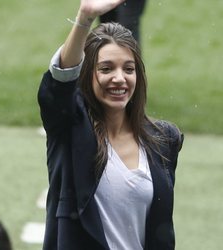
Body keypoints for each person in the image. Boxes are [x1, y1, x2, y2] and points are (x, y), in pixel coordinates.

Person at [38, 0, 183, 249]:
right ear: (87, 75)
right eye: (106, 69)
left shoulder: (164, 139)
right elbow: (60, 81)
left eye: (129, 69)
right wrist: (85, 17)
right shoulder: (69, 131)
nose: (119, 78)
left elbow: (160, 230)